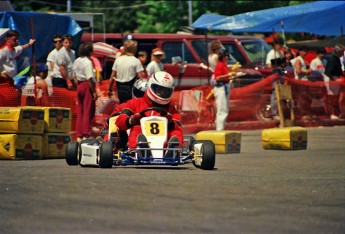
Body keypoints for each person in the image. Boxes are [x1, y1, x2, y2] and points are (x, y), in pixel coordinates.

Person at [114, 71, 183, 156]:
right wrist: (132, 120)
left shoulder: (171, 109)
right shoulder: (134, 103)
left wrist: (170, 123)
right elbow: (119, 122)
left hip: (163, 145)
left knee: (176, 131)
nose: (162, 93)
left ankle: (172, 150)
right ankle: (140, 149)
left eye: (165, 91)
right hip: (137, 140)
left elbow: (178, 125)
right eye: (159, 90)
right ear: (150, 86)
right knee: (137, 128)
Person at [73, 41, 97, 142]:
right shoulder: (88, 62)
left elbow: (74, 76)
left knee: (81, 111)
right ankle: (86, 133)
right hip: (87, 86)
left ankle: (79, 134)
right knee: (88, 110)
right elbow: (90, 78)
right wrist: (94, 91)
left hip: (79, 85)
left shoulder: (77, 61)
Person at [265, 37, 285, 120]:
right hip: (274, 74)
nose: (279, 46)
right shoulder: (271, 53)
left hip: (281, 74)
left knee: (281, 94)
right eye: (278, 45)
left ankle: (280, 111)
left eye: (281, 45)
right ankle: (274, 113)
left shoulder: (281, 53)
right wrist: (276, 64)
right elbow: (268, 65)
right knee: (275, 94)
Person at [213, 50, 233, 131]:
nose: (227, 57)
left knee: (225, 109)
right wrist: (228, 75)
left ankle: (221, 127)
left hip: (224, 87)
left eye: (227, 56)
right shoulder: (220, 65)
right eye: (225, 56)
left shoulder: (224, 65)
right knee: (222, 109)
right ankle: (219, 129)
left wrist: (229, 76)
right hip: (220, 88)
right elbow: (217, 78)